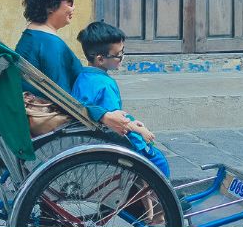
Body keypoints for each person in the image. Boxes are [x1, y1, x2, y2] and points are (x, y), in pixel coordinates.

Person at [14, 0, 134, 135]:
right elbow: (67, 101)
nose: (73, 7)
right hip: (64, 125)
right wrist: (104, 115)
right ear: (50, 5)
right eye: (69, 1)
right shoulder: (50, 45)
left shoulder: (32, 37)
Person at [73, 21, 171, 178]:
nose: (122, 57)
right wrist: (139, 130)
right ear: (100, 59)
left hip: (96, 131)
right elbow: (115, 120)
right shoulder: (104, 85)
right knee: (159, 161)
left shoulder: (83, 77)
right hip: (112, 136)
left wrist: (132, 122)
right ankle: (162, 200)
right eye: (118, 55)